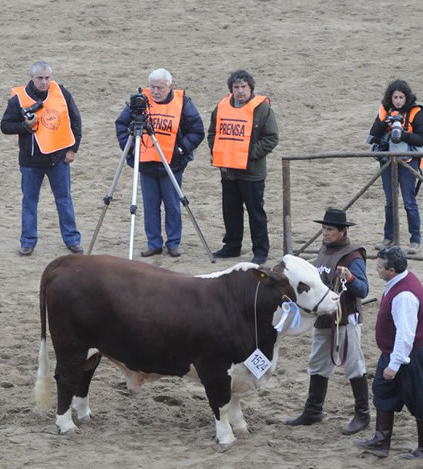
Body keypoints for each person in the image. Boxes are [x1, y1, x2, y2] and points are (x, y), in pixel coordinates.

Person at [286, 208, 370, 434]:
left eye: (329, 229)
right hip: (323, 317)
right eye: (323, 228)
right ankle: (313, 410)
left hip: (345, 318)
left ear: (342, 231)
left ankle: (363, 414)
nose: (324, 233)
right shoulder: (324, 250)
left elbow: (363, 289)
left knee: (353, 365)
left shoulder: (353, 256)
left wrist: (350, 278)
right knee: (317, 363)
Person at [355, 246, 423, 459]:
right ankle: (381, 441)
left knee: (419, 396)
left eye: (380, 267)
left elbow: (405, 334)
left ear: (391, 270)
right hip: (393, 351)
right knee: (382, 390)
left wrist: (395, 364)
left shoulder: (404, 295)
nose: (376, 270)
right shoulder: (400, 281)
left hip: (406, 354)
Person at [114, 68, 204, 258]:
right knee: (150, 206)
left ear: (169, 86)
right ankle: (154, 243)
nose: (155, 91)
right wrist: (130, 148)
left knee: (172, 205)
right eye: (152, 87)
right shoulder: (139, 101)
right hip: (146, 163)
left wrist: (180, 150)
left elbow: (196, 131)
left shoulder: (183, 103)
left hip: (172, 164)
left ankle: (173, 243)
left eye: (160, 88)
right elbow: (121, 125)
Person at [0, 61, 84, 257]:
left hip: (59, 159)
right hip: (30, 162)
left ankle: (72, 239)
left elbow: (76, 120)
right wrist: (26, 127)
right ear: (31, 77)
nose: (44, 82)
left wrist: (73, 150)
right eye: (40, 78)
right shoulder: (18, 100)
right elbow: (5, 126)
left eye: (47, 78)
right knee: (29, 201)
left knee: (64, 200)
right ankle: (28, 242)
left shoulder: (62, 93)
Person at [207, 70, 279, 265]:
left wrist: (249, 154)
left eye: (243, 87)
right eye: (236, 87)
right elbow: (213, 132)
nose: (240, 91)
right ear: (231, 89)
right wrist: (217, 150)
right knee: (230, 211)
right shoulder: (221, 106)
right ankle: (232, 246)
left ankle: (261, 250)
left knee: (256, 212)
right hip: (228, 170)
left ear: (250, 88)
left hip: (252, 172)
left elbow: (272, 138)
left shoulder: (262, 109)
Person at [367, 79, 423, 255]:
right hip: (387, 161)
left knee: (409, 202)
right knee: (389, 202)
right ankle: (389, 238)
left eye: (401, 97)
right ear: (390, 97)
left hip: (408, 162)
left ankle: (415, 240)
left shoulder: (417, 112)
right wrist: (384, 123)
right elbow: (373, 134)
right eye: (395, 97)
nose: (398, 101)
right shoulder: (384, 111)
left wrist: (403, 135)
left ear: (407, 97)